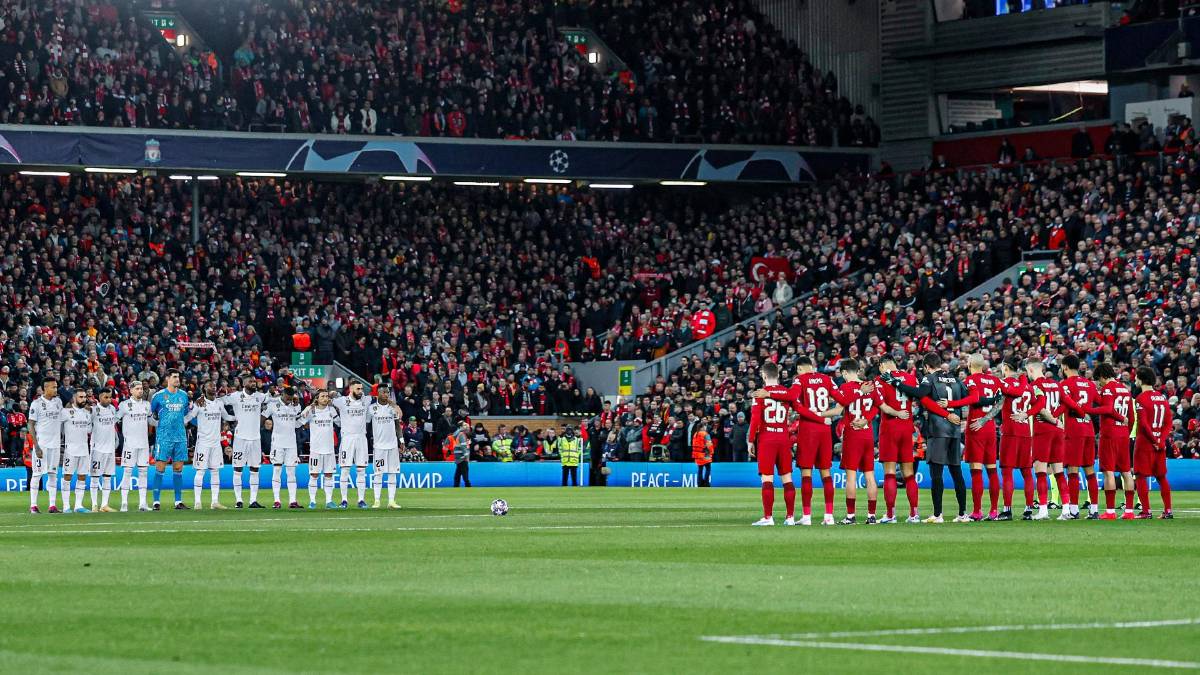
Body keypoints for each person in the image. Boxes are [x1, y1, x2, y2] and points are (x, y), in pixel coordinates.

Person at [755, 356, 843, 525]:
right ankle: (829, 516)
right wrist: (829, 414)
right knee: (826, 473)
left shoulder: (800, 380)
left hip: (808, 429)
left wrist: (770, 393)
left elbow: (791, 396)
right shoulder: (827, 379)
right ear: (812, 366)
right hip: (825, 428)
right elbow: (842, 401)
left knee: (806, 473)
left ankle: (807, 516)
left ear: (800, 369)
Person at [886, 353, 966, 523]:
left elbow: (919, 393)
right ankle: (962, 513)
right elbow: (968, 398)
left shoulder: (929, 378)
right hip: (955, 430)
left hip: (938, 430)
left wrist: (896, 383)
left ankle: (938, 515)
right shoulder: (955, 379)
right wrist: (953, 410)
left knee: (936, 473)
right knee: (956, 472)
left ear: (927, 367)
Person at [943, 354, 1003, 521]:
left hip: (975, 426)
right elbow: (1000, 403)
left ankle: (977, 511)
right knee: (992, 470)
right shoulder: (995, 381)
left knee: (976, 471)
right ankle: (994, 511)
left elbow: (974, 400)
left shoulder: (970, 381)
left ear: (969, 364)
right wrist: (987, 419)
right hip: (990, 427)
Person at [748, 362, 797, 525]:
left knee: (767, 479)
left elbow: (755, 419)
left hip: (767, 439)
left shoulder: (760, 393)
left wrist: (750, 441)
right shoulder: (786, 392)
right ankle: (790, 517)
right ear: (777, 374)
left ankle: (768, 517)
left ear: (763, 375)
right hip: (783, 438)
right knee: (787, 478)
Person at [876, 355, 922, 523]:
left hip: (889, 428)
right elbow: (919, 395)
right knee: (909, 474)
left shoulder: (880, 380)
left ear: (882, 366)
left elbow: (883, 406)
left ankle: (890, 515)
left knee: (889, 473)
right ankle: (914, 514)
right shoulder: (910, 378)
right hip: (907, 428)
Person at [834, 359, 880, 524]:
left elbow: (840, 408)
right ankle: (871, 516)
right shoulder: (870, 385)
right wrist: (867, 420)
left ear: (845, 372)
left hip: (852, 434)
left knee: (851, 477)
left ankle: (851, 516)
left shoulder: (845, 387)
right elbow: (877, 406)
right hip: (867, 434)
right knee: (870, 476)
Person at [996, 359, 1041, 521]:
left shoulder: (1005, 383)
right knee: (1027, 472)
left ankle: (1007, 510)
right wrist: (1028, 414)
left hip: (1010, 432)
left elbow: (1009, 394)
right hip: (1025, 432)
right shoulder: (1028, 387)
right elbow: (1039, 404)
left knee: (1007, 472)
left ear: (1006, 367)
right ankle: (1028, 509)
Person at [1058, 355, 1101, 519]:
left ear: (1065, 367)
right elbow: (1101, 401)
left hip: (1074, 430)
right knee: (1090, 470)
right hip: (1088, 430)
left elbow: (1063, 405)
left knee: (1073, 471)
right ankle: (1094, 509)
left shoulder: (1065, 384)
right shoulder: (1089, 384)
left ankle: (1074, 510)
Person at [1092, 363, 1135, 520]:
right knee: (1126, 472)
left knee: (1108, 471)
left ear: (1103, 376)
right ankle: (1129, 511)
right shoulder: (1125, 389)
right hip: (1123, 435)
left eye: (1099, 380)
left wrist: (1087, 410)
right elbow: (1131, 416)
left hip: (1109, 434)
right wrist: (1126, 432)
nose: (1099, 383)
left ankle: (1110, 512)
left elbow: (1108, 409)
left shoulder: (1108, 389)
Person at [1027, 359, 1068, 521]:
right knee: (1059, 472)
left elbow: (1041, 408)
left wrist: (1052, 419)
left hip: (1043, 430)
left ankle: (1043, 510)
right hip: (1057, 432)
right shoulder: (1056, 384)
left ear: (1031, 369)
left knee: (1041, 471)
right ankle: (1066, 510)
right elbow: (1066, 403)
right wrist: (1057, 418)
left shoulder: (1035, 386)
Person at [1132, 367, 1173, 519]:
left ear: (1141, 379)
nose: (1135, 380)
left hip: (1145, 443)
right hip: (1160, 444)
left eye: (1136, 377)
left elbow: (1143, 424)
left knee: (1140, 476)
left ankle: (1146, 511)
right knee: (1162, 477)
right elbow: (1168, 423)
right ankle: (1168, 511)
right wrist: (1160, 440)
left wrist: (1154, 440)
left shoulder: (1141, 399)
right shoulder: (1162, 397)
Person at [223, 376, 269, 508]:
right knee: (238, 469)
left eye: (255, 381)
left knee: (255, 469)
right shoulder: (235, 396)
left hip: (255, 438)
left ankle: (253, 500)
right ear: (243, 384)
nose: (254, 383)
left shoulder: (259, 396)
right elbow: (220, 401)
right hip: (240, 438)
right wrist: (231, 417)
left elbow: (271, 398)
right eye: (250, 381)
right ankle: (239, 500)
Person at [187, 382, 232, 510]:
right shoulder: (199, 403)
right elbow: (190, 417)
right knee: (200, 471)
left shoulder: (219, 403)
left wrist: (240, 417)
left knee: (215, 472)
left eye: (214, 385)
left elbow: (226, 416)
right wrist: (179, 419)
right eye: (210, 386)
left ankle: (215, 502)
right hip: (203, 444)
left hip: (216, 444)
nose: (213, 387)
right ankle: (197, 502)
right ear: (204, 389)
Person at [150, 371, 191, 510]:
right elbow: (152, 415)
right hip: (164, 437)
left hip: (180, 437)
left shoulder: (184, 396)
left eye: (178, 377)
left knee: (178, 468)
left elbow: (185, 413)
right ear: (167, 379)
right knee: (160, 467)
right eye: (174, 377)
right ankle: (156, 502)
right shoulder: (158, 396)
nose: (177, 379)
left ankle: (178, 502)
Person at [331, 382, 373, 508]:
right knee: (345, 470)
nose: (361, 391)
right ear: (351, 389)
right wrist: (331, 393)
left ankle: (361, 500)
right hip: (347, 439)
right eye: (358, 389)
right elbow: (325, 399)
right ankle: (344, 500)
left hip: (361, 438)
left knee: (361, 470)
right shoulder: (342, 401)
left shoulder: (367, 400)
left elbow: (382, 398)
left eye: (361, 389)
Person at [27, 377, 64, 513]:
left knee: (53, 474)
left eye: (56, 387)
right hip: (42, 445)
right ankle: (33, 506)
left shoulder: (58, 402)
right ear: (45, 388)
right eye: (53, 387)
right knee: (37, 475)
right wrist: (36, 446)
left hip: (55, 445)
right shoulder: (36, 404)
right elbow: (30, 424)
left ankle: (52, 505)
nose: (55, 389)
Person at [264, 387, 303, 509]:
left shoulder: (296, 406)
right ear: (282, 395)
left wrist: (297, 406)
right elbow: (262, 417)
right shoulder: (273, 405)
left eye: (291, 399)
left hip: (291, 444)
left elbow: (297, 421)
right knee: (277, 470)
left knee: (291, 472)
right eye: (287, 399)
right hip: (277, 443)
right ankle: (277, 501)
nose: (288, 401)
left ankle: (293, 501)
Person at [116, 380, 152, 512]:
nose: (140, 391)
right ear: (130, 390)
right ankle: (124, 503)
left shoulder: (147, 405)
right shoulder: (124, 405)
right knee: (127, 473)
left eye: (141, 388)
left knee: (143, 473)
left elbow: (151, 420)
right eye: (137, 388)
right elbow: (115, 419)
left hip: (143, 444)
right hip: (129, 445)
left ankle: (143, 503)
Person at [301, 390, 340, 508]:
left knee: (329, 475)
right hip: (316, 449)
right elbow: (301, 422)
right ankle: (312, 501)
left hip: (329, 449)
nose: (325, 398)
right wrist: (308, 410)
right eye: (323, 396)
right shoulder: (311, 409)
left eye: (327, 396)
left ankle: (329, 501)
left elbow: (340, 422)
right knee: (314, 475)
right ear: (317, 398)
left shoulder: (331, 410)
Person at [369, 386, 403, 509]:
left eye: (388, 392)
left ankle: (391, 501)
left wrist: (401, 440)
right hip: (379, 446)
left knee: (393, 473)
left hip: (393, 445)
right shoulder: (372, 409)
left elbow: (397, 425)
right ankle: (377, 501)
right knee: (378, 473)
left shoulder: (392, 408)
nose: (386, 394)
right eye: (383, 392)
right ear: (378, 393)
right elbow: (366, 424)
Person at [61, 389, 93, 513]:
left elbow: (89, 430)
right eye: (81, 397)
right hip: (70, 450)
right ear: (74, 398)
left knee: (82, 477)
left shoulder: (87, 413)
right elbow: (57, 427)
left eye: (85, 397)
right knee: (67, 476)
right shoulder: (65, 412)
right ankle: (66, 506)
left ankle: (78, 505)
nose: (84, 399)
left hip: (84, 450)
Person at [88, 388, 119, 513]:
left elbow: (113, 426)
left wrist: (115, 441)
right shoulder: (94, 410)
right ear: (100, 397)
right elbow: (88, 427)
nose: (108, 399)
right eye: (106, 397)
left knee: (107, 477)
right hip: (97, 449)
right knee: (95, 477)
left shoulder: (112, 409)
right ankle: (94, 505)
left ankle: (104, 505)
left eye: (110, 397)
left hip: (110, 449)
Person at [691, 420, 714, 487]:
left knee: (700, 469)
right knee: (708, 468)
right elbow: (709, 444)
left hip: (697, 454)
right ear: (703, 427)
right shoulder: (705, 434)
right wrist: (711, 452)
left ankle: (700, 483)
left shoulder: (695, 434)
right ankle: (706, 482)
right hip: (705, 453)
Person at [452, 421, 472, 487]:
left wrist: (466, 456)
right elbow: (463, 446)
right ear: (461, 427)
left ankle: (465, 487)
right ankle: (461, 486)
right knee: (460, 475)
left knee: (461, 476)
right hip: (461, 458)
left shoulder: (461, 434)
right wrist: (466, 456)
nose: (467, 427)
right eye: (465, 425)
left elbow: (464, 446)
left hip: (461, 458)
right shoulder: (461, 434)